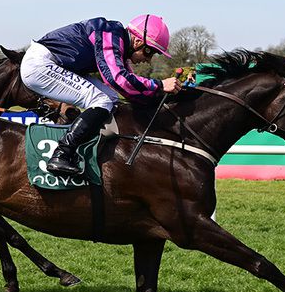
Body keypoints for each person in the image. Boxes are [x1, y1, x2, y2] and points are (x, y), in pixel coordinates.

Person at [20, 14, 182, 176]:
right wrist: (159, 85)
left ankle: (91, 147)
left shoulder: (119, 43)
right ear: (138, 42)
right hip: (40, 65)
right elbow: (117, 79)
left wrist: (159, 96)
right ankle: (62, 154)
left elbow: (130, 91)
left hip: (58, 65)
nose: (148, 60)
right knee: (101, 100)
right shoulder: (110, 34)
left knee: (111, 98)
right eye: (150, 53)